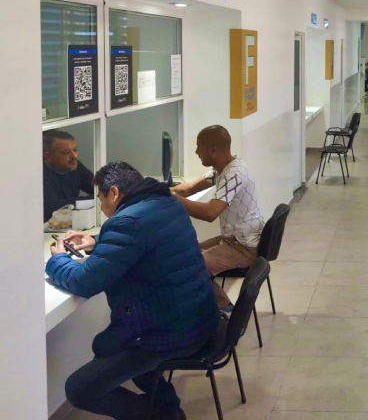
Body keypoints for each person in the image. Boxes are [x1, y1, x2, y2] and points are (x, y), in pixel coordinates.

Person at [46, 162, 218, 420]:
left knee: (79, 389)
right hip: (199, 319)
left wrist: (58, 259)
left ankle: (160, 416)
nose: (102, 208)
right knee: (106, 345)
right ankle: (167, 406)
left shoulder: (128, 222)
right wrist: (98, 242)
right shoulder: (167, 203)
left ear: (114, 193)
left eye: (101, 199)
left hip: (169, 334)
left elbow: (85, 282)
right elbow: (143, 243)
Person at [172, 125, 265, 310]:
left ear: (213, 151)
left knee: (191, 266)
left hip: (243, 248)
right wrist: (157, 190)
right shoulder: (222, 170)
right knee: (184, 253)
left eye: (199, 147)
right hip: (232, 240)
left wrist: (174, 200)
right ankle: (218, 307)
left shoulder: (234, 174)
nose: (196, 152)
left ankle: (225, 310)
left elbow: (210, 213)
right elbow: (187, 189)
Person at [42, 129, 94, 222]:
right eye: (66, 152)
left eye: (75, 150)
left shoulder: (74, 165)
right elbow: (52, 207)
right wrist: (95, 199)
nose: (74, 156)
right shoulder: (40, 175)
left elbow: (98, 187)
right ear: (49, 157)